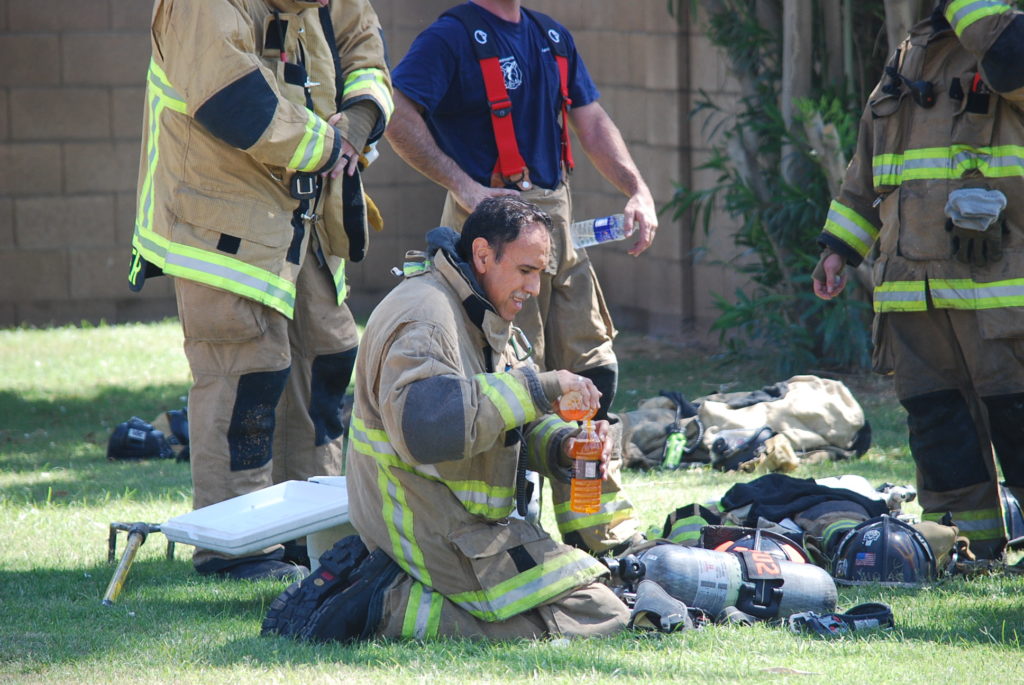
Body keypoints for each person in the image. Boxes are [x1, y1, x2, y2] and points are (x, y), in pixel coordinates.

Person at [263, 196, 630, 641]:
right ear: (482, 255)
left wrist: (561, 446)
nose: (535, 288)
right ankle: (382, 604)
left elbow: (506, 421)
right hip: (424, 529)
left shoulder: (477, 309)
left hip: (459, 526)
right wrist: (541, 387)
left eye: (540, 273)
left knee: (595, 600)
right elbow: (430, 430)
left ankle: (379, 585)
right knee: (598, 612)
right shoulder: (426, 318)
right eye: (525, 270)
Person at [127, 0, 393, 579]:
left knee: (326, 362)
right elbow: (234, 101)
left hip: (304, 220)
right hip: (219, 219)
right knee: (245, 374)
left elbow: (365, 52)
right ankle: (236, 549)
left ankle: (305, 534)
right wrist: (331, 147)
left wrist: (359, 121)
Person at [384, 0, 652, 554]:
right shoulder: (452, 36)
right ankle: (517, 525)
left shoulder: (551, 36)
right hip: (492, 229)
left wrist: (636, 188)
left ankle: (598, 532)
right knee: (515, 383)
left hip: (554, 226)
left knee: (592, 377)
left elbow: (591, 119)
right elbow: (395, 112)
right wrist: (463, 186)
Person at [812, 0, 1024, 559]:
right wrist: (840, 249)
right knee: (938, 425)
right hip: (911, 294)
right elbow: (867, 169)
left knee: (1017, 416)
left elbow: (1011, 59)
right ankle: (965, 546)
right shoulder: (909, 55)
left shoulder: (1006, 44)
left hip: (995, 294)